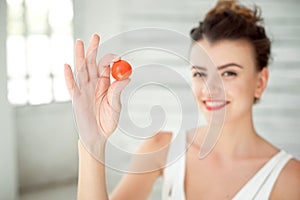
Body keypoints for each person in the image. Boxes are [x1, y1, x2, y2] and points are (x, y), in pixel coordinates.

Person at [64, 0, 300, 199]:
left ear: (260, 82)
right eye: (200, 73)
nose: (211, 88)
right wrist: (92, 142)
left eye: (229, 73)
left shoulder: (291, 179)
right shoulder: (161, 148)